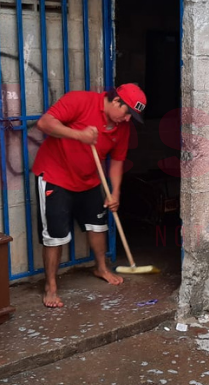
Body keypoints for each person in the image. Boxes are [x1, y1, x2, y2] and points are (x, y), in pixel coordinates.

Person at [32, 83, 147, 308]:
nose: (127, 120)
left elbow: (116, 160)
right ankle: (51, 286)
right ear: (116, 102)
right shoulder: (80, 100)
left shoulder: (122, 127)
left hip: (91, 179)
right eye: (127, 113)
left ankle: (101, 268)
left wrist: (115, 192)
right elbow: (44, 123)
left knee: (98, 226)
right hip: (56, 176)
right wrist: (78, 135)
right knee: (55, 236)